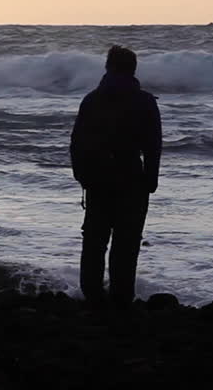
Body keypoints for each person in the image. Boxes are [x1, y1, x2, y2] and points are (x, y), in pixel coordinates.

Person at [69, 45, 162, 309]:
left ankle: (92, 295)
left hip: (97, 178)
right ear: (133, 69)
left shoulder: (92, 99)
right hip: (132, 177)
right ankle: (121, 298)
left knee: (95, 240)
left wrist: (82, 176)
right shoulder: (144, 101)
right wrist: (151, 181)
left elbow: (76, 143)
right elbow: (153, 145)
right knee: (127, 241)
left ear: (108, 68)